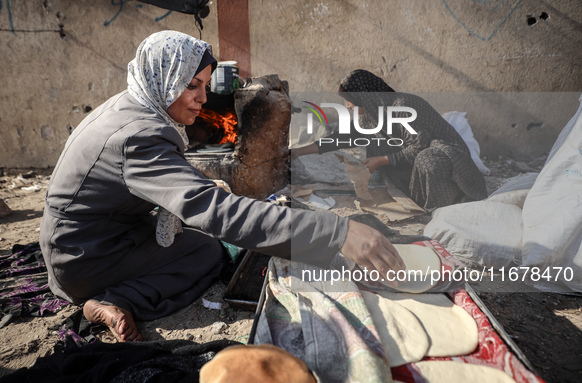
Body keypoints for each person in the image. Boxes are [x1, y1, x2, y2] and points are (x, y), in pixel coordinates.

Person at [39, 32, 404, 342]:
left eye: (204, 86)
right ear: (162, 77)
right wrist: (337, 232)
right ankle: (109, 299)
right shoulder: (138, 136)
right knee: (208, 253)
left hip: (98, 235)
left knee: (201, 245)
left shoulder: (133, 106)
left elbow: (161, 181)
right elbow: (216, 212)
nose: (202, 98)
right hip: (82, 257)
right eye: (191, 86)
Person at [293, 69, 488, 211]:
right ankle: (420, 197)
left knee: (427, 160)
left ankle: (449, 202)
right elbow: (342, 137)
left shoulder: (403, 107)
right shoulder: (370, 115)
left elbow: (418, 146)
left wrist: (382, 160)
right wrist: (297, 152)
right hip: (416, 161)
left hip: (447, 157)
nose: (348, 105)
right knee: (379, 151)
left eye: (350, 99)